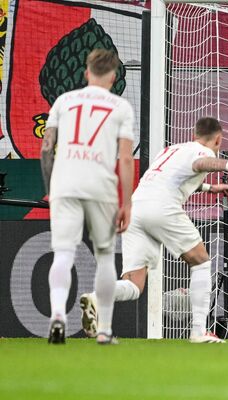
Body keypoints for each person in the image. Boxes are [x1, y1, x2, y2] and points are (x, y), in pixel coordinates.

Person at [79, 117, 228, 343]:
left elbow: (177, 176)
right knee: (200, 261)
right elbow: (201, 165)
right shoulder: (204, 152)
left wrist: (212, 188)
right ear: (218, 139)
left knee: (134, 285)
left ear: (194, 134)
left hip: (136, 208)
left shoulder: (171, 150)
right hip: (161, 207)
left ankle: (95, 298)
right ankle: (199, 332)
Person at [41, 49, 135, 345]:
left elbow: (46, 147)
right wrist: (127, 201)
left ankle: (57, 315)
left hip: (65, 184)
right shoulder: (121, 107)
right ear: (113, 76)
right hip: (101, 186)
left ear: (86, 73)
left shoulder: (63, 101)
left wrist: (49, 187)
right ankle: (104, 330)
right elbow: (125, 158)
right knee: (105, 257)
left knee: (63, 254)